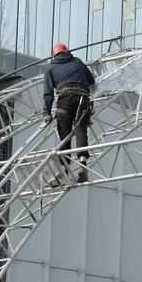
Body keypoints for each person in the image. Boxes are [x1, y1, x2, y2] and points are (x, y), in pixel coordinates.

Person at [42, 42, 95, 184]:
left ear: (54, 55)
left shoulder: (51, 69)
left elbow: (48, 94)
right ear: (67, 52)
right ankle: (83, 161)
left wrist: (46, 113)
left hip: (65, 100)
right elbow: (91, 80)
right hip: (83, 99)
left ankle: (64, 170)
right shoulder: (77, 62)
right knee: (81, 130)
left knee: (64, 134)